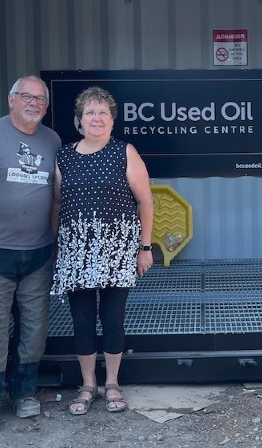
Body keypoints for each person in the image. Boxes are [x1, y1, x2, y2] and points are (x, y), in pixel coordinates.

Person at [0, 75, 62, 434]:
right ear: (11, 100)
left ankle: (25, 394)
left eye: (40, 99)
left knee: (35, 328)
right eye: (26, 97)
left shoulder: (53, 140)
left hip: (38, 252)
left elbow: (55, 196)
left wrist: (54, 239)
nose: (33, 103)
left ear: (46, 107)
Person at [52, 86, 154, 415]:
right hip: (76, 251)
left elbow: (145, 201)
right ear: (79, 120)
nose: (97, 118)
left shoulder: (125, 151)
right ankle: (87, 385)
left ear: (112, 120)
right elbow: (56, 203)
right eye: (90, 113)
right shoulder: (63, 156)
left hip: (117, 249)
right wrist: (58, 246)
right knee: (81, 321)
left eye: (103, 113)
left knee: (112, 319)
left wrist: (145, 247)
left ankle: (111, 382)